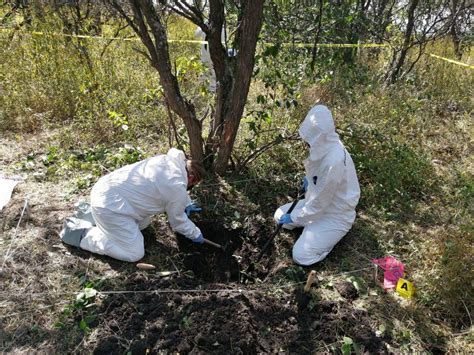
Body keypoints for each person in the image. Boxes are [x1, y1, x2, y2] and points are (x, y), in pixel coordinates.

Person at [60, 148, 206, 262]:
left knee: (143, 224)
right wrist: (196, 234)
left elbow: (173, 186)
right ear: (191, 177)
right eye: (193, 184)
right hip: (109, 206)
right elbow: (178, 222)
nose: (189, 188)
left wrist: (185, 202)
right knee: (134, 253)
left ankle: (89, 213)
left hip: (106, 191)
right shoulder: (176, 187)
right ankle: (81, 234)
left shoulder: (170, 162)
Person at [274, 105, 360, 265]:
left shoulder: (334, 161)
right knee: (279, 216)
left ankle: (326, 239)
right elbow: (317, 176)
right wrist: (309, 180)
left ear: (319, 136)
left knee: (301, 256)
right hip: (317, 203)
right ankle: (310, 228)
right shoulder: (325, 146)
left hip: (335, 214)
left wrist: (294, 217)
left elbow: (319, 204)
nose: (307, 143)